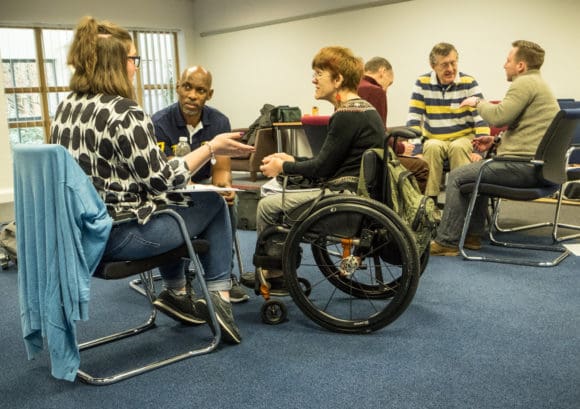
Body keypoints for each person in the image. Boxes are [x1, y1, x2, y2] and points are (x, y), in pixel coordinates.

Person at [50, 16, 255, 344]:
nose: (136, 67)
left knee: (178, 204)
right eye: (133, 59)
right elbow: (162, 181)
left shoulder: (66, 109)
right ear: (116, 63)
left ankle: (177, 292)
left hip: (77, 237)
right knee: (214, 201)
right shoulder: (124, 112)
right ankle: (220, 302)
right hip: (116, 238)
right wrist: (210, 147)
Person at [241, 46, 384, 290]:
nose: (313, 79)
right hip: (357, 198)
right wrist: (292, 159)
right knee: (281, 198)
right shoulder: (364, 110)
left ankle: (274, 273)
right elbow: (330, 161)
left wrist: (283, 167)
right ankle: (279, 266)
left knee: (267, 206)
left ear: (338, 79)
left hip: (343, 204)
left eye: (319, 73)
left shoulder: (346, 115)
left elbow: (321, 169)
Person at [430, 40, 559, 256]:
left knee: (457, 177)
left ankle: (447, 242)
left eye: (508, 60)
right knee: (477, 172)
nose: (504, 65)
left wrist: (477, 102)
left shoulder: (524, 83)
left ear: (520, 66)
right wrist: (496, 141)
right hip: (539, 168)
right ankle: (471, 237)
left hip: (524, 168)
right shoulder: (538, 83)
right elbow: (525, 128)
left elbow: (499, 117)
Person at [152, 66, 249, 303]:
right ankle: (177, 273)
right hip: (171, 188)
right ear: (178, 88)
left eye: (200, 90)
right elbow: (164, 174)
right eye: (187, 87)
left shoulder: (219, 121)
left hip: (204, 183)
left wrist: (224, 187)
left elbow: (222, 170)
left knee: (227, 204)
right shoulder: (159, 123)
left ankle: (224, 274)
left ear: (209, 94)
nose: (192, 95)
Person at [406, 42, 490, 202]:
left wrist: (478, 151)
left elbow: (482, 118)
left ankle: (460, 202)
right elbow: (413, 120)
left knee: (458, 147)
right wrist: (416, 149)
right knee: (431, 146)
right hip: (435, 139)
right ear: (433, 65)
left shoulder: (468, 82)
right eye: (445, 64)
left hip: (464, 138)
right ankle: (428, 204)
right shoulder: (422, 83)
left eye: (453, 62)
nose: (450, 69)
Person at [358, 56, 430, 193]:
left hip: (355, 153)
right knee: (422, 167)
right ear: (382, 71)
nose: (386, 89)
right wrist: (401, 148)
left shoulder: (353, 87)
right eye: (389, 83)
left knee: (401, 133)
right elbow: (378, 136)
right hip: (371, 157)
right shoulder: (375, 91)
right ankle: (410, 210)